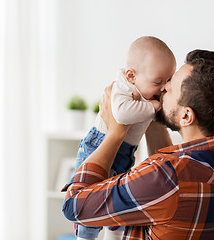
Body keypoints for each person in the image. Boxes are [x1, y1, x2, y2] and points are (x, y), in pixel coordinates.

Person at [62, 49, 214, 240]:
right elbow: (166, 186)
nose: (163, 87)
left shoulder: (168, 177)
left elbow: (75, 207)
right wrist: (152, 116)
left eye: (170, 88)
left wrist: (115, 133)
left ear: (186, 115)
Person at [64, 36, 176, 240]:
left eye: (168, 81)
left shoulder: (145, 89)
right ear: (132, 75)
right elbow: (122, 115)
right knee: (90, 202)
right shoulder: (123, 87)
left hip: (126, 152)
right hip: (99, 145)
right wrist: (153, 107)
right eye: (158, 82)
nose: (163, 88)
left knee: (116, 207)